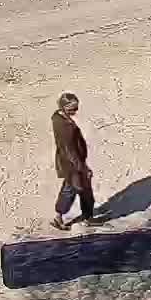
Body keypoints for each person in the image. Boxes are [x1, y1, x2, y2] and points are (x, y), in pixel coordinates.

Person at [50, 92, 99, 230]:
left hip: (73, 162)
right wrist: (82, 167)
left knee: (81, 189)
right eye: (73, 109)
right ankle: (61, 218)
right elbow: (69, 150)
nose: (75, 111)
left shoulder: (62, 118)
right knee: (72, 189)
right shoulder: (63, 125)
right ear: (64, 107)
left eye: (76, 108)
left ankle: (86, 216)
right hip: (72, 164)